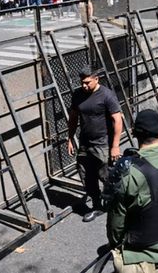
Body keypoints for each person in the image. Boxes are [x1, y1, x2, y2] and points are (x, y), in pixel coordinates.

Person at [103, 110, 158, 273]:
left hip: (143, 256)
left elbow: (115, 226)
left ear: (135, 134)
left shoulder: (129, 173)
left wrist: (116, 245)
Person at [67, 66, 123, 222]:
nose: (84, 86)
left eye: (87, 82)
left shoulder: (106, 95)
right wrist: (70, 138)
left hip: (102, 143)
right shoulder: (78, 95)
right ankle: (97, 206)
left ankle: (118, 204)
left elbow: (117, 120)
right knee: (86, 174)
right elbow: (73, 117)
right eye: (82, 82)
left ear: (96, 79)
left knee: (106, 175)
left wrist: (115, 146)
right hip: (85, 143)